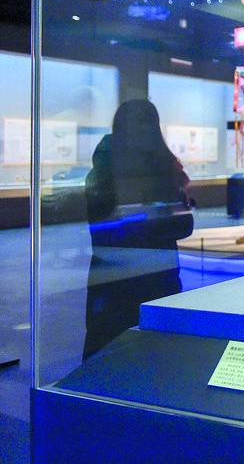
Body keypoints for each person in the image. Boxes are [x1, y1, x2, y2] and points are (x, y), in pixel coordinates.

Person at [82, 99, 192, 361]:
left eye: (146, 124)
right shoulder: (113, 168)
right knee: (118, 354)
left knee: (144, 355)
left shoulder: (161, 167)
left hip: (146, 274)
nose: (142, 131)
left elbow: (182, 224)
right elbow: (104, 226)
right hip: (123, 277)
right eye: (138, 124)